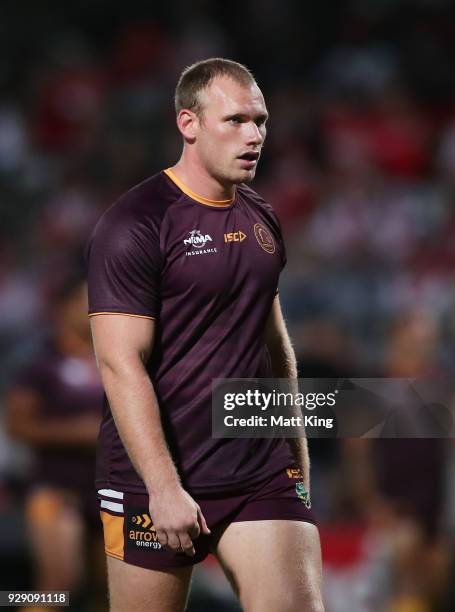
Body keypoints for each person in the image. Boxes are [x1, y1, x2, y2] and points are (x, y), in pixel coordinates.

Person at [86, 57, 324, 612]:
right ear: (188, 124)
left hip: (258, 472)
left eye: (261, 121)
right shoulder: (135, 224)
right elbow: (121, 365)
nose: (255, 135)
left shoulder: (262, 217)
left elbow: (274, 346)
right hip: (156, 478)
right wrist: (164, 489)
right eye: (236, 121)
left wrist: (296, 462)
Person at [6, 270, 105, 611]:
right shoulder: (41, 365)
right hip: (56, 489)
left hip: (109, 490)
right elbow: (18, 427)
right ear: (62, 307)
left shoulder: (112, 361)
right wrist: (75, 431)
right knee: (59, 585)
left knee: (109, 591)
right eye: (85, 300)